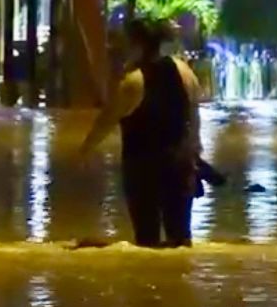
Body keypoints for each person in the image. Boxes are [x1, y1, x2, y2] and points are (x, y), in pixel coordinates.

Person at [79, 18, 203, 248]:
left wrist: (85, 149)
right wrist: (194, 155)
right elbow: (194, 118)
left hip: (144, 169)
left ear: (136, 45)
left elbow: (106, 121)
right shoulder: (185, 71)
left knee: (147, 242)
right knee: (181, 241)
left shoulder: (132, 82)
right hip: (181, 165)